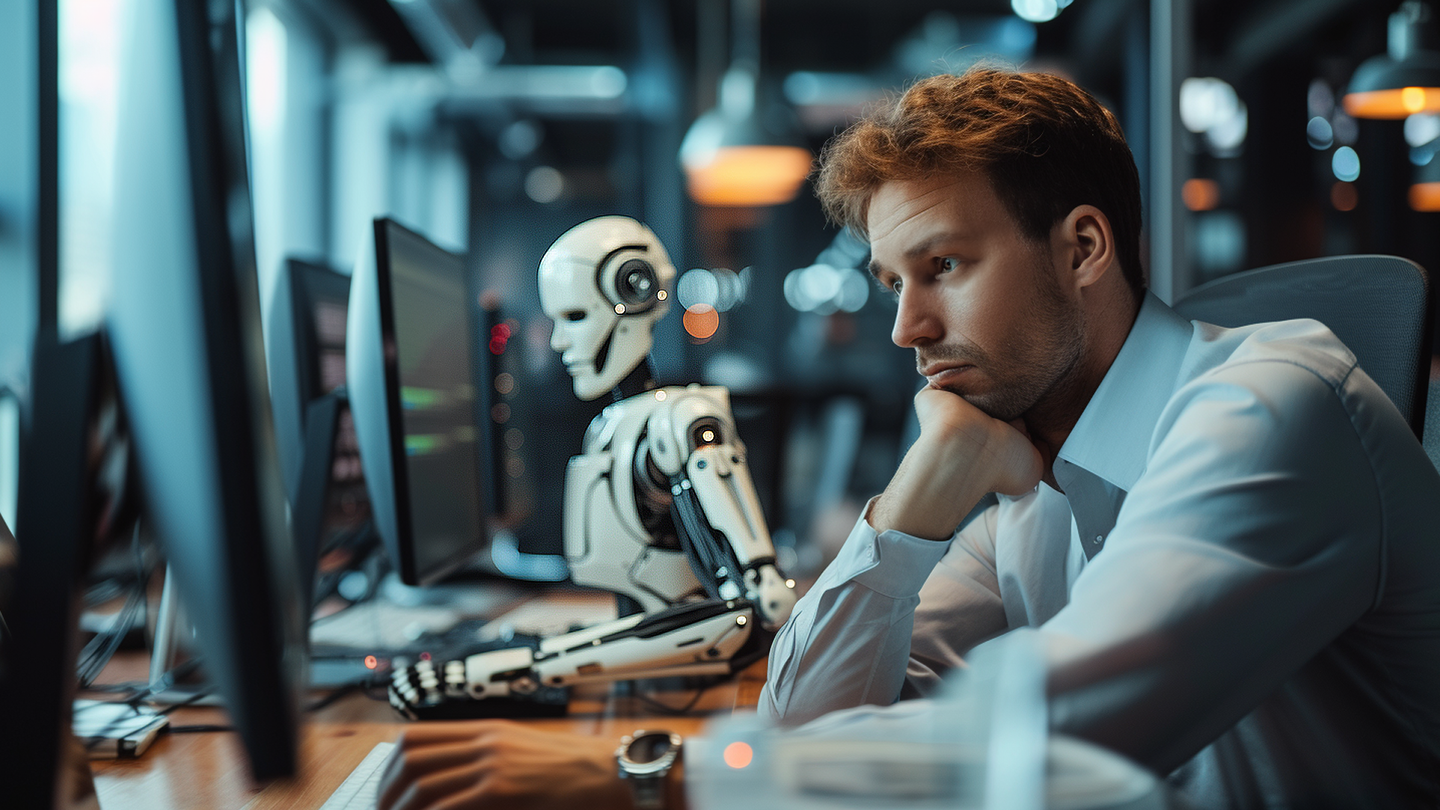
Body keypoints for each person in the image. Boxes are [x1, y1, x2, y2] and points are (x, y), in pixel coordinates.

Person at [375, 66, 1440, 810]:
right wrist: (914, 501)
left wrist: (651, 779)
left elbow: (1062, 741)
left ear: (1081, 248)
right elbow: (803, 720)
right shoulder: (1031, 465)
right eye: (895, 281)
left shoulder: (1271, 411)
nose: (905, 328)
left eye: (944, 268)